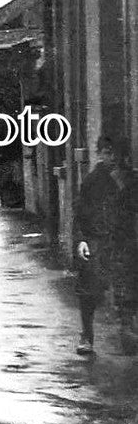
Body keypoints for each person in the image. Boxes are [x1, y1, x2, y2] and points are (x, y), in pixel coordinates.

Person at [73, 136, 138, 356]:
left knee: (127, 288)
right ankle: (86, 335)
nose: (107, 157)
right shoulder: (92, 181)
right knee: (89, 289)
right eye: (103, 152)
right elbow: (80, 213)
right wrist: (81, 239)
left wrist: (122, 184)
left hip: (123, 242)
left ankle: (127, 332)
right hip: (97, 241)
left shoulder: (130, 180)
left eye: (111, 152)